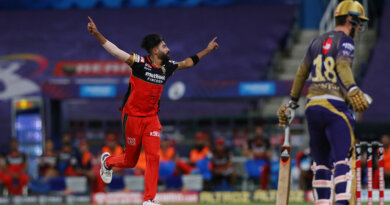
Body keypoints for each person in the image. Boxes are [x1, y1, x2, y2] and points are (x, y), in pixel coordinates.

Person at [87, 16, 218, 205]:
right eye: (165, 46)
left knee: (153, 156)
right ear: (155, 50)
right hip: (132, 117)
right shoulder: (139, 63)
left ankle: (149, 200)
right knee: (130, 161)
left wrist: (207, 50)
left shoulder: (167, 67)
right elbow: (115, 51)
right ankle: (107, 162)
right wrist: (97, 34)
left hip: (151, 119)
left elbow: (188, 63)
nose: (169, 49)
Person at [277, 1, 371, 204]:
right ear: (350, 20)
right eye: (358, 23)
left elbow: (301, 73)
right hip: (335, 107)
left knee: (320, 164)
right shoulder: (346, 41)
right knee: (342, 161)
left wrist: (293, 103)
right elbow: (343, 65)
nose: (359, 28)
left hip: (312, 108)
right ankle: (341, 202)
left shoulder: (315, 41)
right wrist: (353, 88)